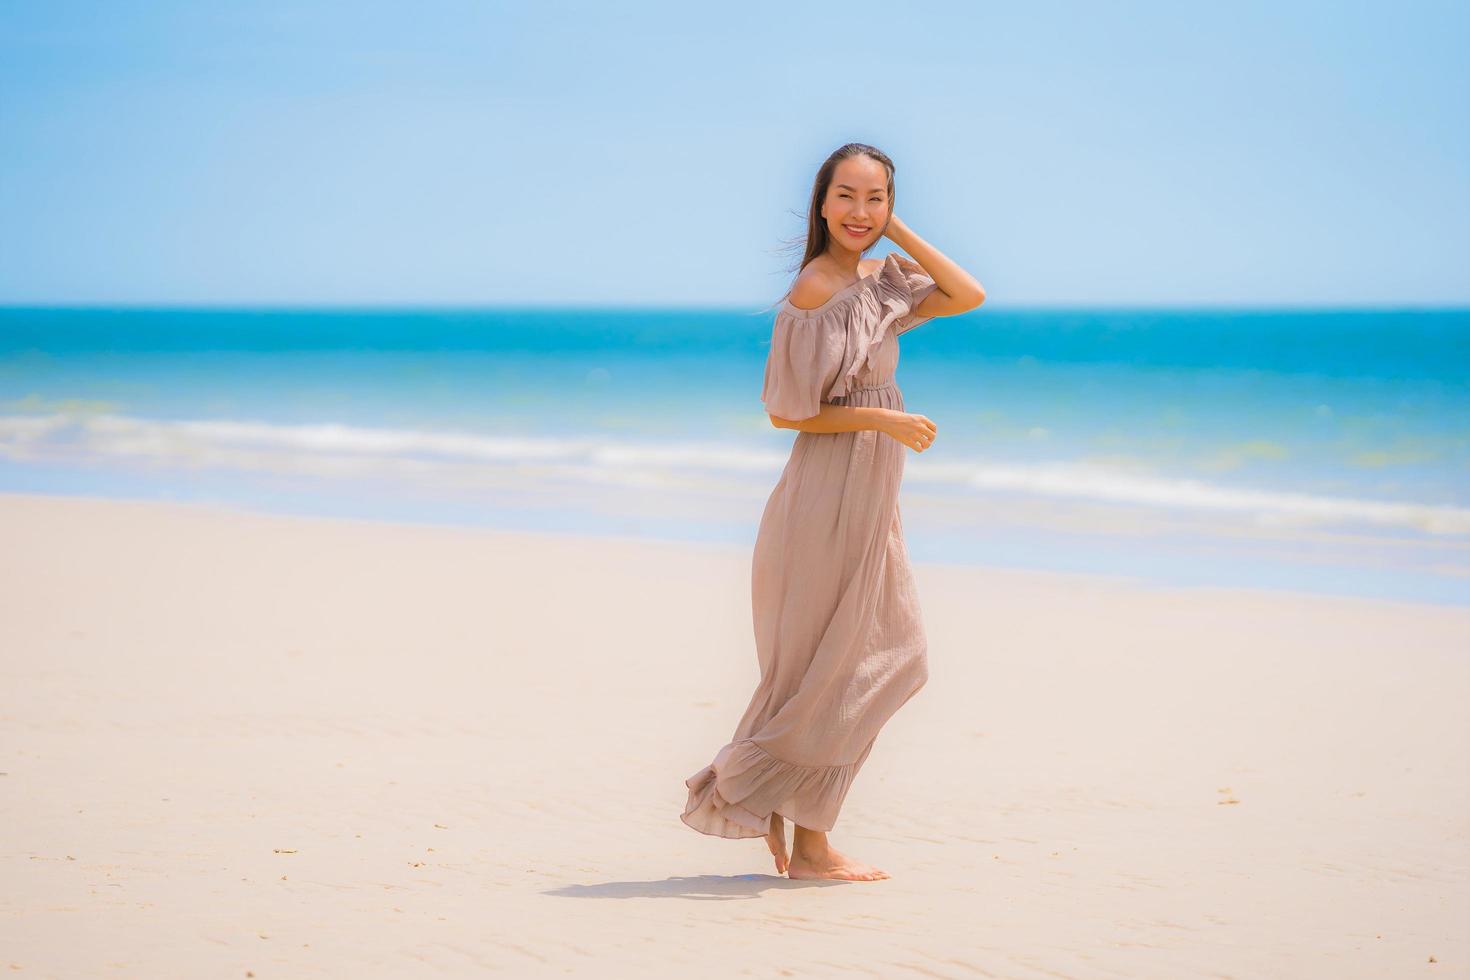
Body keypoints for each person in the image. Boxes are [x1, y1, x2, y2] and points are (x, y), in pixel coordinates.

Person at [680, 143, 986, 881]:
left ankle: (784, 814)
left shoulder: (880, 283)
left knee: (878, 660)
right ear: (821, 203)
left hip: (871, 498)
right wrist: (883, 423)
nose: (859, 212)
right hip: (824, 500)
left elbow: (967, 293)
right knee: (835, 671)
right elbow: (789, 415)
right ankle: (785, 821)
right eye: (845, 197)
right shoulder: (816, 291)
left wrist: (898, 235)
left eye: (875, 198)